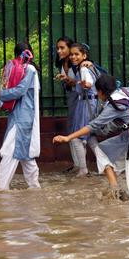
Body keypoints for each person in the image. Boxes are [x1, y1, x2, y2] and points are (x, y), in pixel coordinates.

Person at [54, 74, 129, 201]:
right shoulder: (125, 91)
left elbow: (92, 126)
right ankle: (115, 188)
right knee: (101, 150)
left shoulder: (113, 106)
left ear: (101, 91)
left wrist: (68, 137)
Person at [0, 42, 41, 191]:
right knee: (25, 155)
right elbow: (9, 87)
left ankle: (2, 190)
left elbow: (20, 91)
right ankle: (35, 189)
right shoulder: (18, 69)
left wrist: (0, 95)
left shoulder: (30, 69)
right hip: (20, 116)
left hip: (23, 117)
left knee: (9, 151)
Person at [65, 43, 101, 176]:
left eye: (76, 54)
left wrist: (81, 83)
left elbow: (88, 84)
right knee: (90, 137)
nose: (73, 57)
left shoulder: (84, 68)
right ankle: (106, 164)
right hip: (89, 103)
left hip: (86, 104)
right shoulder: (87, 67)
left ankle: (83, 169)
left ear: (84, 56)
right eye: (72, 54)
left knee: (77, 137)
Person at [53, 36, 78, 173]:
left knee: (78, 131)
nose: (59, 51)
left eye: (62, 48)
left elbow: (83, 83)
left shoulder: (77, 64)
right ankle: (77, 164)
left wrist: (68, 79)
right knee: (72, 130)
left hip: (80, 99)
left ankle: (81, 166)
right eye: (58, 48)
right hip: (71, 98)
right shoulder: (63, 64)